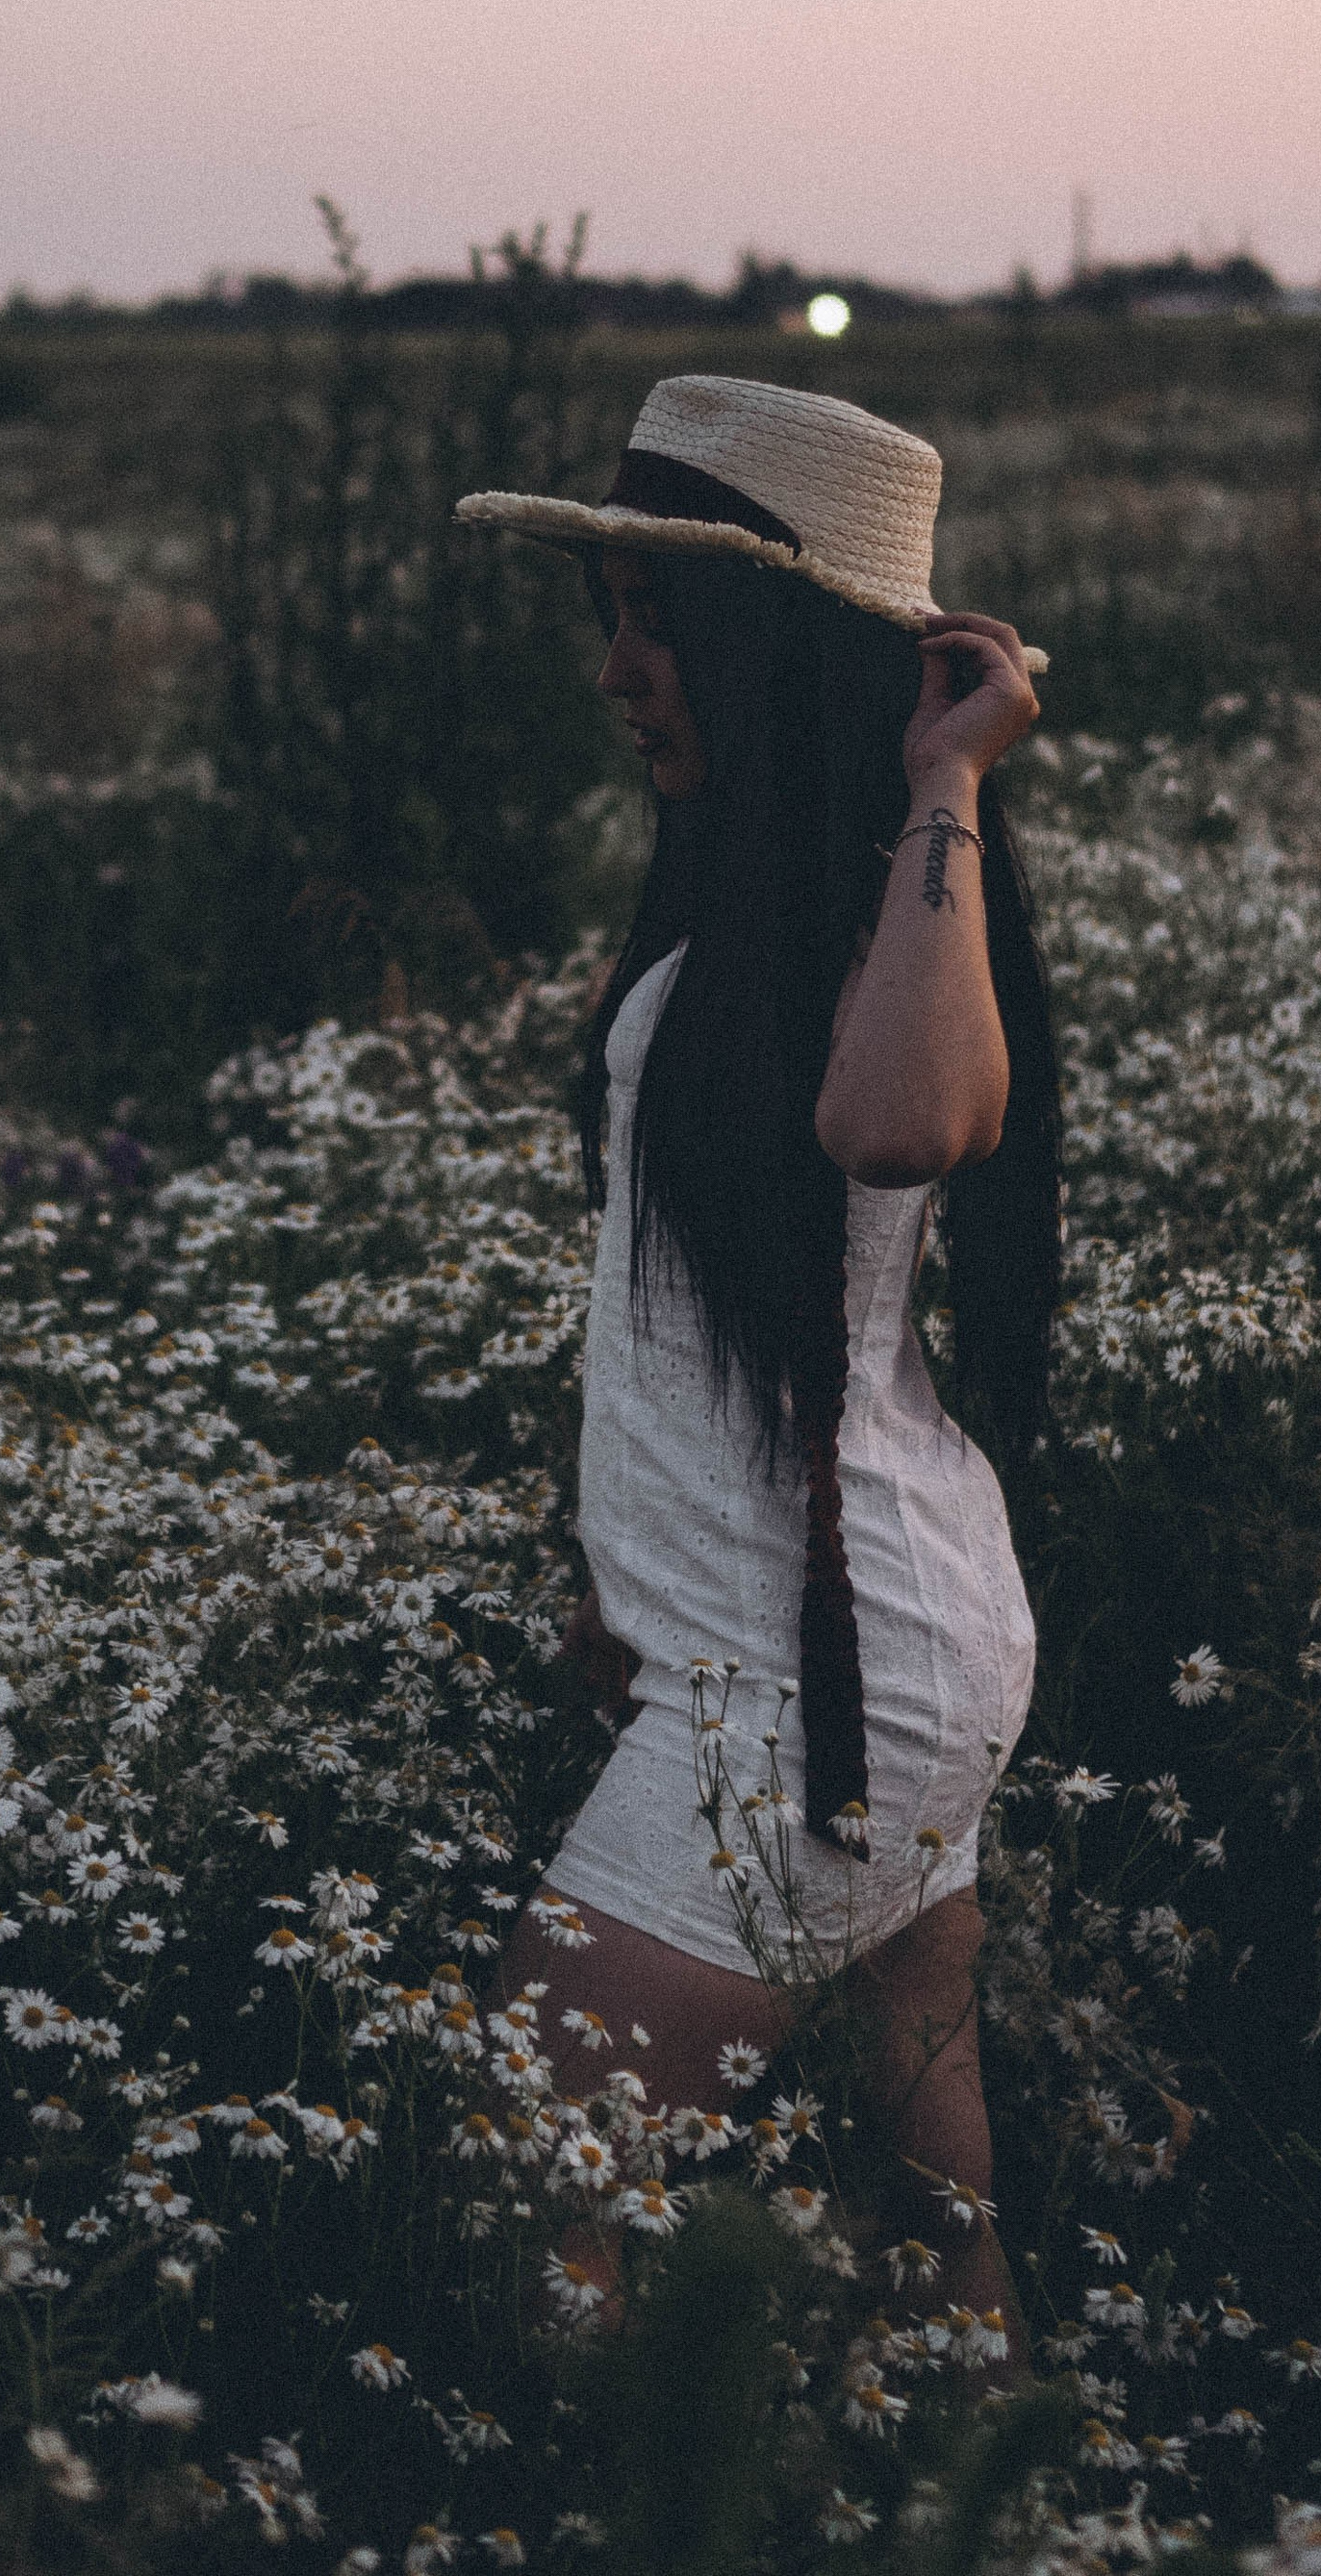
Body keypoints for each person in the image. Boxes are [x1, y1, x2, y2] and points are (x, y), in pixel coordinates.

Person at [454, 375, 1059, 2350]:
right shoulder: (765, 884)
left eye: (665, 622)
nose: (622, 670)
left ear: (773, 646)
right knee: (926, 2208)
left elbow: (902, 1128)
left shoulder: (883, 901)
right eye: (607, 616)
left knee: (521, 2200)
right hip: (841, 1642)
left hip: (817, 1688)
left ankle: (602, 2512)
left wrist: (947, 781)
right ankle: (992, 2507)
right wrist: (623, 1577)